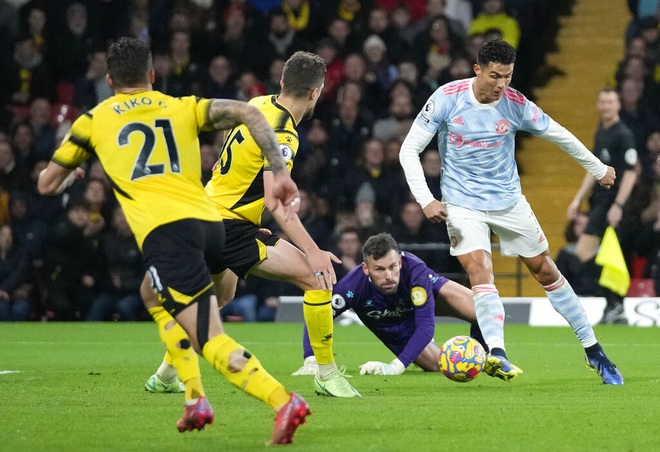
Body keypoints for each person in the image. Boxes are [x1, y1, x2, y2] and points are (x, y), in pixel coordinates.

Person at [37, 37, 309, 445]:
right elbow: (251, 113)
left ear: (110, 79)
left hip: (168, 234)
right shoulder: (182, 105)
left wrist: (72, 171)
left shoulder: (92, 121)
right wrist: (279, 170)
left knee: (210, 336)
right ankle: (194, 397)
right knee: (151, 293)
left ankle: (282, 401)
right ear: (151, 75)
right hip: (210, 224)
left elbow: (45, 184)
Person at [398, 39, 624, 385]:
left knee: (544, 270)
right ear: (477, 70)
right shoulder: (447, 98)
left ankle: (593, 349)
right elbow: (409, 150)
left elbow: (559, 135)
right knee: (478, 268)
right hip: (462, 202)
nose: (502, 84)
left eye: (508, 76)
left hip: (508, 201)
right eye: (495, 76)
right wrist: (426, 199)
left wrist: (598, 169)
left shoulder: (516, 104)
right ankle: (497, 353)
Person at [144, 51, 360, 398]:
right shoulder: (284, 134)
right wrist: (314, 250)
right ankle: (327, 374)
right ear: (316, 92)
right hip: (228, 224)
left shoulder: (258, 103)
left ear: (282, 82)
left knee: (220, 295)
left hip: (208, 210)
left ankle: (166, 374)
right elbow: (277, 203)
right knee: (315, 276)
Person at [292, 233, 484, 376]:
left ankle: (488, 356)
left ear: (399, 262)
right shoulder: (351, 287)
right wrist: (311, 359)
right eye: (379, 269)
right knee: (438, 366)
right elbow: (319, 314)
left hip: (424, 301)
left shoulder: (415, 269)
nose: (389, 276)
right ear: (366, 269)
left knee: (482, 309)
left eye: (392, 267)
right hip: (392, 324)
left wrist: (394, 367)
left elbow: (426, 326)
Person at [567, 87, 638, 324]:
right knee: (599, 255)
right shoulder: (602, 131)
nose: (606, 106)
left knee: (588, 252)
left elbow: (631, 173)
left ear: (618, 105)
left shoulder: (622, 134)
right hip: (599, 201)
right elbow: (593, 169)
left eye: (610, 102)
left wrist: (618, 205)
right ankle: (614, 304)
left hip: (612, 204)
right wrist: (577, 199)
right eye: (603, 102)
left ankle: (615, 302)